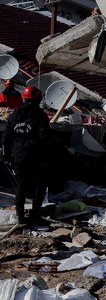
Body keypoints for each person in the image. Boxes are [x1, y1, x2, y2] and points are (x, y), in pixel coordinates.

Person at [2, 86, 50, 226]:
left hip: (19, 157)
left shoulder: (15, 114)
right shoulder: (39, 114)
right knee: (39, 185)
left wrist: (6, 156)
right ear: (38, 99)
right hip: (36, 157)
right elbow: (45, 137)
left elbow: (6, 138)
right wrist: (46, 156)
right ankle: (35, 214)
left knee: (21, 185)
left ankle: (20, 215)